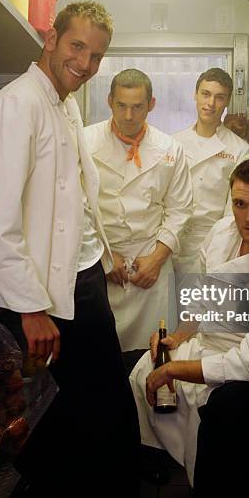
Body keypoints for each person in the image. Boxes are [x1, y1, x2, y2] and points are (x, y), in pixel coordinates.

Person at [0, 1, 140, 498]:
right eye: (77, 46)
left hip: (80, 283)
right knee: (70, 421)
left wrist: (103, 263)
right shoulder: (16, 106)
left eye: (96, 55)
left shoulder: (63, 103)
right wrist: (31, 308)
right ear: (50, 38)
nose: (85, 63)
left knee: (90, 415)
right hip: (43, 300)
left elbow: (75, 199)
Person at [130, 157, 249, 498]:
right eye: (240, 204)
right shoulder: (223, 231)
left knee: (222, 412)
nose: (248, 218)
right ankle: (158, 464)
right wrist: (177, 338)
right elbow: (204, 299)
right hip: (208, 341)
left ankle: (212, 493)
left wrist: (175, 368)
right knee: (141, 370)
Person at [83, 69, 193, 351]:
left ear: (151, 105)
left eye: (137, 107)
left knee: (154, 353)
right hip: (102, 264)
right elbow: (77, 208)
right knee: (103, 356)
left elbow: (180, 209)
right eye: (121, 105)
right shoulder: (84, 141)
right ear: (109, 101)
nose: (129, 115)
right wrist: (106, 257)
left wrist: (156, 260)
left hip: (152, 268)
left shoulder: (171, 149)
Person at [173, 68, 249, 274]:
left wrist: (219, 253)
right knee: (168, 305)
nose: (210, 104)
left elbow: (232, 211)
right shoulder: (174, 143)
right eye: (205, 94)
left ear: (227, 101)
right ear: (195, 94)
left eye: (219, 97)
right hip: (172, 241)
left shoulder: (239, 150)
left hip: (211, 243)